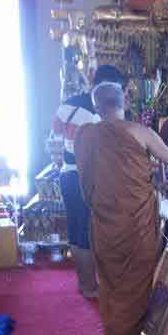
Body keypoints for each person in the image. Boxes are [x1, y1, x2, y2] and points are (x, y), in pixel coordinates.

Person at [75, 81, 168, 335]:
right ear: (125, 102)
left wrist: (152, 185)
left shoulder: (86, 135)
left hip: (105, 224)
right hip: (136, 226)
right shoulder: (140, 132)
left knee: (112, 286)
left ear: (96, 107)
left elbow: (95, 183)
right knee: (136, 285)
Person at [49, 65, 126, 298]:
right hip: (89, 176)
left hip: (67, 175)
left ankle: (86, 283)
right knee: (88, 231)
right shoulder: (101, 113)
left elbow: (53, 142)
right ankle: (90, 286)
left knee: (76, 230)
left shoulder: (66, 106)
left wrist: (63, 159)